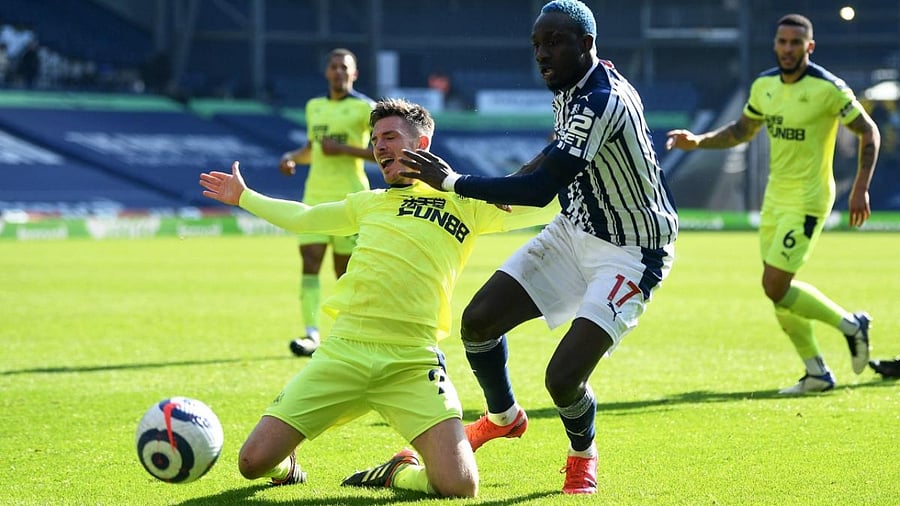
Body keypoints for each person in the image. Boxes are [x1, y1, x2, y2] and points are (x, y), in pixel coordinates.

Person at [199, 98, 558, 497]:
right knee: (252, 464)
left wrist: (581, 161)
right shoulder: (367, 202)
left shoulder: (467, 201)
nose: (379, 147)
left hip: (412, 360)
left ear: (422, 143)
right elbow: (304, 217)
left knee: (460, 486)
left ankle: (398, 472)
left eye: (390, 136)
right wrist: (244, 196)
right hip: (345, 353)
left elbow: (544, 201)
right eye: (374, 140)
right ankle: (287, 466)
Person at [399, 0, 678, 495]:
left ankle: (582, 453)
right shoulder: (572, 86)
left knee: (563, 378)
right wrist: (521, 173)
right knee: (478, 322)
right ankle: (502, 417)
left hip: (633, 251)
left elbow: (543, 190)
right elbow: (556, 153)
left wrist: (456, 182)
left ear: (586, 44)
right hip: (575, 231)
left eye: (555, 42)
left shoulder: (601, 99)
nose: (543, 54)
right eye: (537, 45)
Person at [666, 14, 880, 395]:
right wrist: (698, 141)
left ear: (809, 47)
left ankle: (851, 325)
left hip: (810, 200)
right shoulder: (764, 85)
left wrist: (860, 186)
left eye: (795, 43)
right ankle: (816, 372)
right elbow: (741, 130)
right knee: (780, 290)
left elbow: (868, 130)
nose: (787, 49)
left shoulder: (828, 88)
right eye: (782, 42)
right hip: (775, 199)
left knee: (775, 284)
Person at [278, 48, 376, 357]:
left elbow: (381, 152)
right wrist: (291, 158)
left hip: (350, 197)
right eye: (334, 67)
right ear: (326, 72)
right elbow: (312, 148)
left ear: (354, 73)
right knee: (309, 263)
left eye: (344, 68)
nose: (339, 72)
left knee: (344, 272)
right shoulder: (314, 107)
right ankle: (311, 335)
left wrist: (345, 149)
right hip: (316, 196)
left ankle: (346, 335)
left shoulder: (365, 108)